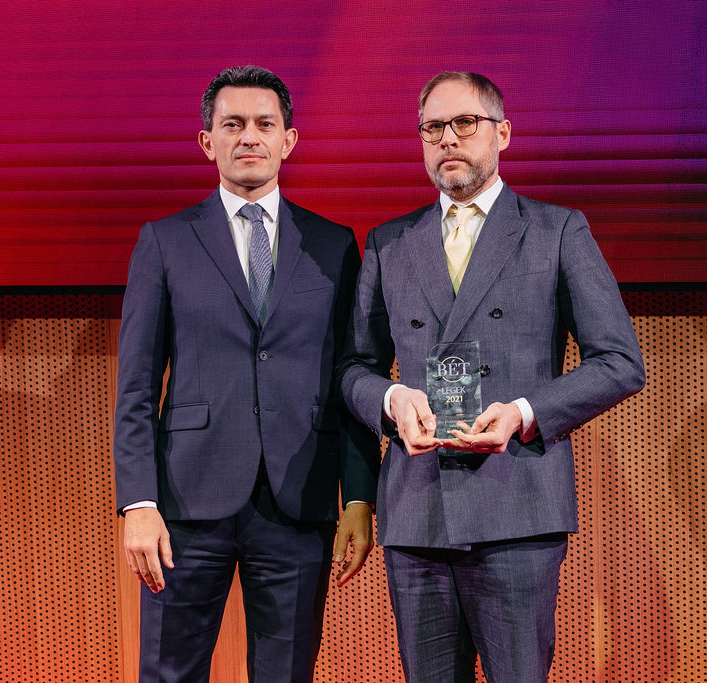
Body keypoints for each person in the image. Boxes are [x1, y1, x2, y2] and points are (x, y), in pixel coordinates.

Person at [339, 71, 645, 682]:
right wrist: (393, 398)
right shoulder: (390, 242)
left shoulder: (557, 230)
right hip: (418, 511)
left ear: (502, 133)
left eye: (464, 123)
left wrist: (524, 413)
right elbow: (354, 367)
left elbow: (619, 361)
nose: (447, 139)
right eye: (433, 128)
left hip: (517, 507)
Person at [113, 65, 378, 683]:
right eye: (233, 125)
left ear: (289, 139)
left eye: (265, 124)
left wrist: (359, 495)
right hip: (185, 503)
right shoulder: (165, 241)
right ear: (208, 142)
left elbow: (352, 376)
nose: (249, 137)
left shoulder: (334, 244)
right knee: (168, 673)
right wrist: (138, 502)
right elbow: (137, 385)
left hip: (299, 500)